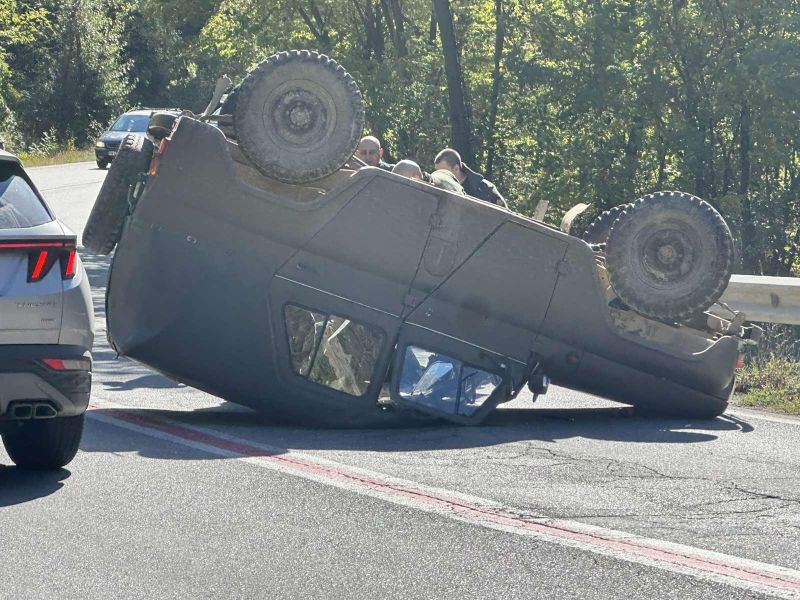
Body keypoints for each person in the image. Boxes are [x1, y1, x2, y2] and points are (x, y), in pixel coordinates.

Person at [433, 148, 507, 208]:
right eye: (438, 171)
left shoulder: (486, 189)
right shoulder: (437, 188)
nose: (440, 175)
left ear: (456, 168)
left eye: (444, 171)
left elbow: (506, 219)